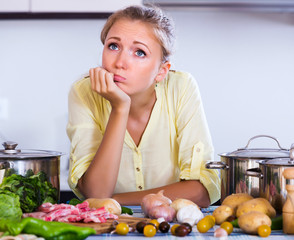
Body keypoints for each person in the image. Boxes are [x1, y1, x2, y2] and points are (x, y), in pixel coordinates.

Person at [67, 4, 220, 207]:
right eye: (113, 46)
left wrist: (114, 201)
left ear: (161, 71)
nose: (120, 62)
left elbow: (202, 191)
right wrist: (120, 107)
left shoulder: (181, 87)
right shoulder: (84, 92)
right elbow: (97, 191)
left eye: (139, 52)